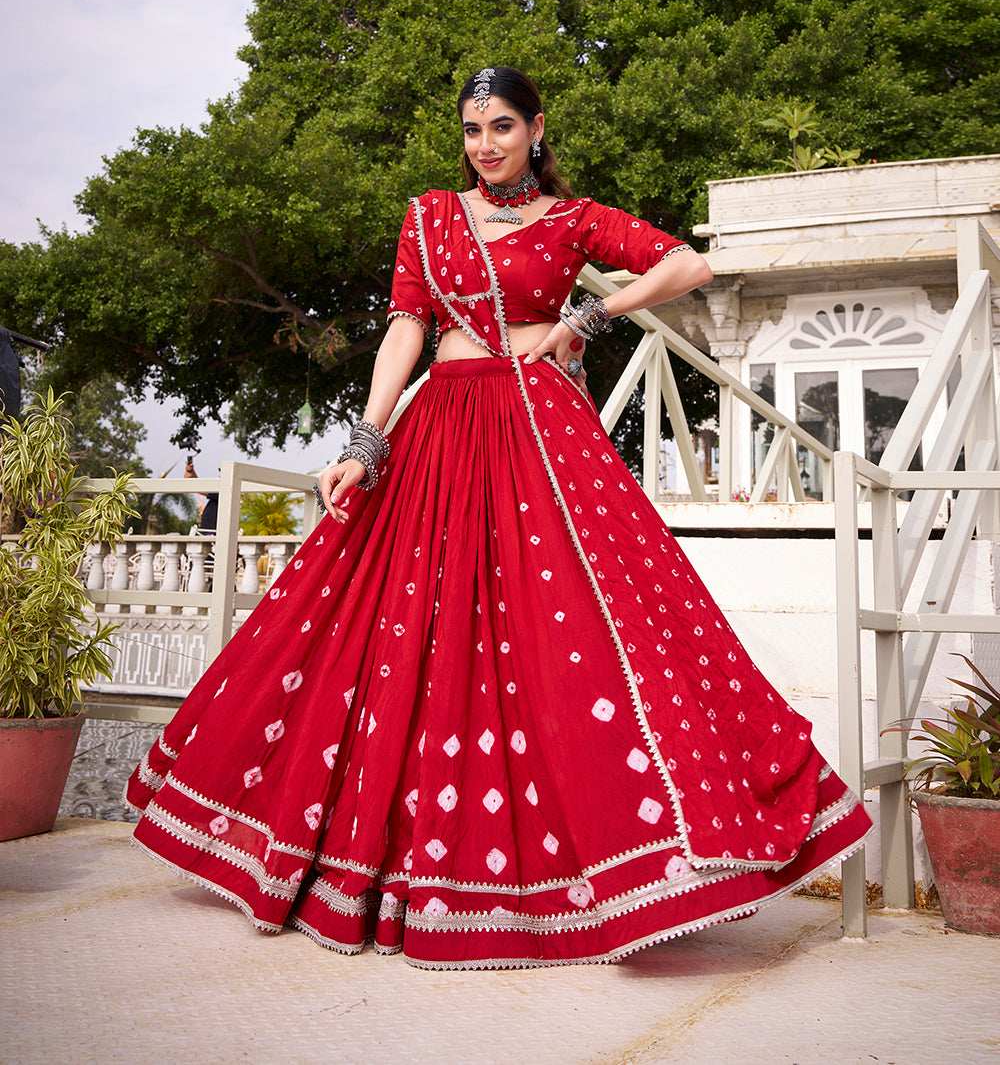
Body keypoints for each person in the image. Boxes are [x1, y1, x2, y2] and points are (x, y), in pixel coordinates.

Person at [126, 66, 870, 969]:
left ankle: (605, 867)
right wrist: (365, 440)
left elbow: (690, 263)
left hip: (537, 433)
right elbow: (407, 326)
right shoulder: (430, 216)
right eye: (473, 130)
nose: (486, 145)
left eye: (503, 127)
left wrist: (591, 315)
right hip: (440, 428)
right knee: (400, 631)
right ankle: (384, 864)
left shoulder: (572, 219)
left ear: (536, 129)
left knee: (571, 635)